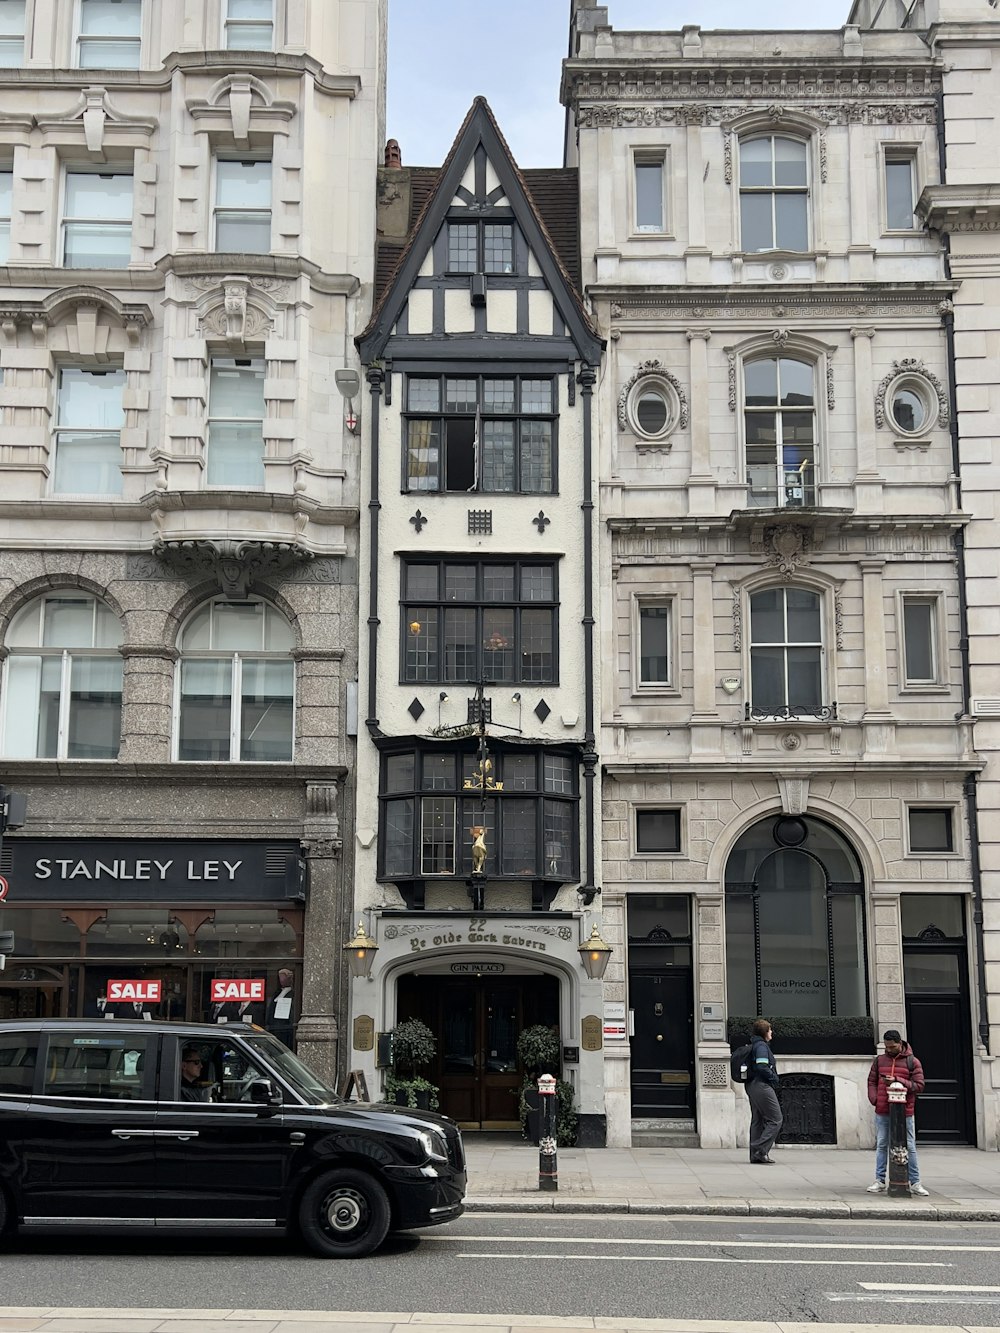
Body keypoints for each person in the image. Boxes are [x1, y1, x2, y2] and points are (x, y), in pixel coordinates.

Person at [867, 1028, 928, 1195]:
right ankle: (879, 1180)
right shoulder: (879, 1061)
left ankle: (915, 1182)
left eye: (892, 1047)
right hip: (883, 1109)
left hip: (905, 1111)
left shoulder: (912, 1062)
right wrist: (874, 1099)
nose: (889, 1050)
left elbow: (919, 1086)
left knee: (910, 1146)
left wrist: (897, 1080)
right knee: (882, 1144)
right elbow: (871, 1081)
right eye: (886, 1047)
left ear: (900, 1044)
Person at [746, 1016, 782, 1164]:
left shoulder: (754, 1044)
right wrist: (774, 1077)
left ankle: (756, 1155)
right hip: (761, 1085)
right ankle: (760, 1148)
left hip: (752, 1085)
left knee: (758, 1119)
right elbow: (762, 1066)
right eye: (770, 1030)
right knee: (776, 1119)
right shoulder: (761, 1047)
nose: (771, 1032)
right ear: (764, 1032)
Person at [266, 968, 296, 1048]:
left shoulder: (292, 994)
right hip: (273, 1027)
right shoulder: (277, 993)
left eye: (283, 978)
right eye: (280, 978)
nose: (281, 980)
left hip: (285, 1028)